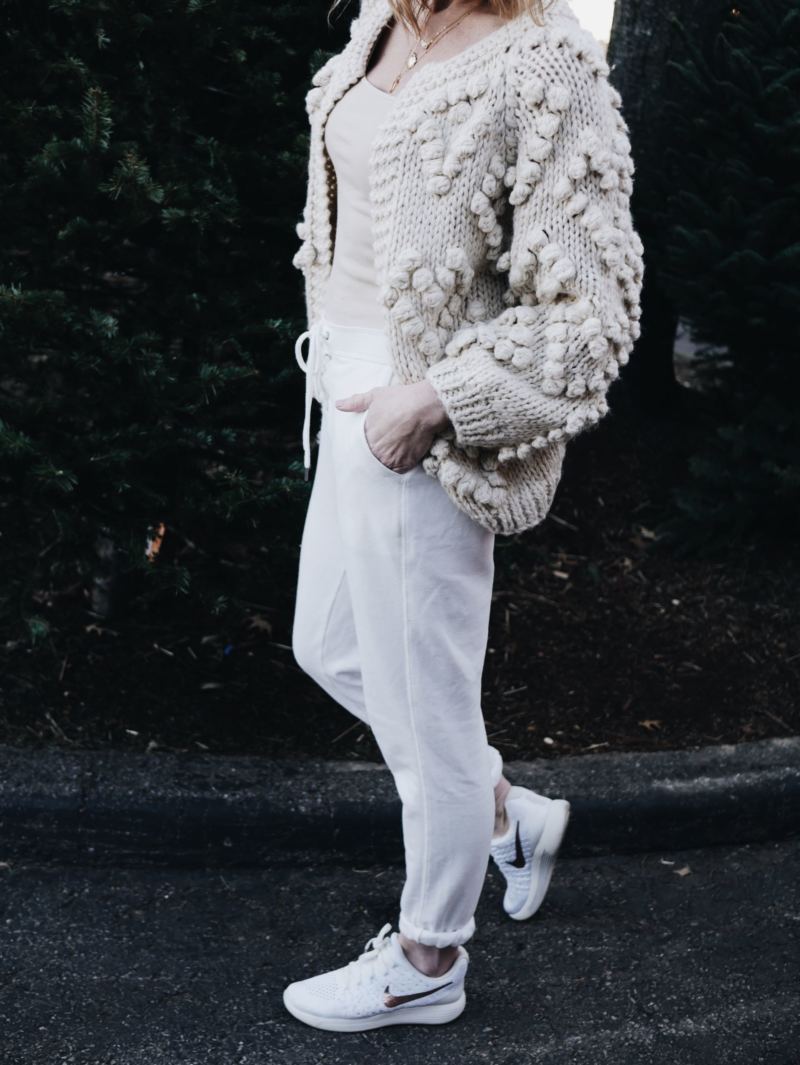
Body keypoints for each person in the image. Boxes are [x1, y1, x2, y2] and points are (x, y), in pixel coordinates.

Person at [285, 0, 644, 1032]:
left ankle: (427, 956)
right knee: (329, 646)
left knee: (431, 703)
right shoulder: (378, 26)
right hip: (343, 388)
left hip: (423, 410)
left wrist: (437, 400)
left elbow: (592, 317)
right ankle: (499, 813)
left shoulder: (547, 67)